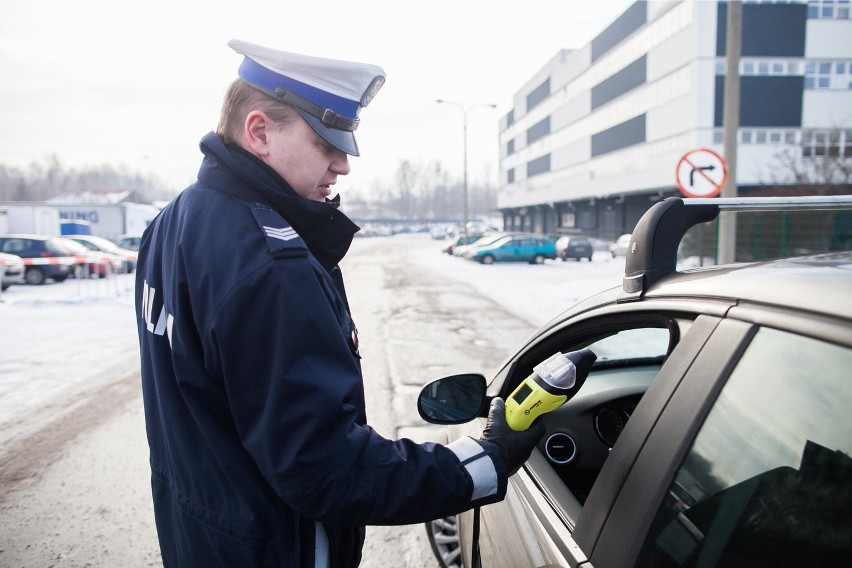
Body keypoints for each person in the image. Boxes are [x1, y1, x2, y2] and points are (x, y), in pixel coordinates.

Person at [135, 39, 544, 568]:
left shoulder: (176, 220)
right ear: (259, 132)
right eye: (327, 143)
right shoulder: (271, 267)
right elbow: (325, 468)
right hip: (278, 549)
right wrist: (482, 463)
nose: (344, 165)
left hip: (204, 536)